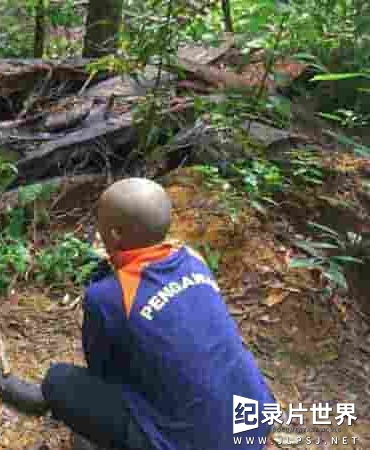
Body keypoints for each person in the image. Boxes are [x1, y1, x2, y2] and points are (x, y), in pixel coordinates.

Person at [41, 178, 276, 450]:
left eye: (101, 225)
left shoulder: (106, 296)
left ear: (115, 235)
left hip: (197, 443)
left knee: (58, 381)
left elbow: (103, 373)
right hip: (254, 423)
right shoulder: (193, 259)